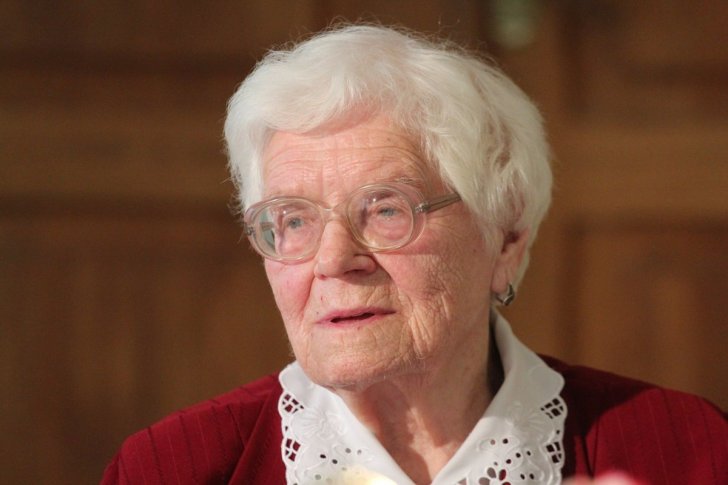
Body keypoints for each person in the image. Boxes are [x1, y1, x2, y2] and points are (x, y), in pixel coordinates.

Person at [101, 24, 727, 485]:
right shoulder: (171, 469)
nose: (333, 260)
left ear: (506, 236)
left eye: (385, 210)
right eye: (292, 220)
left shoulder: (689, 452)